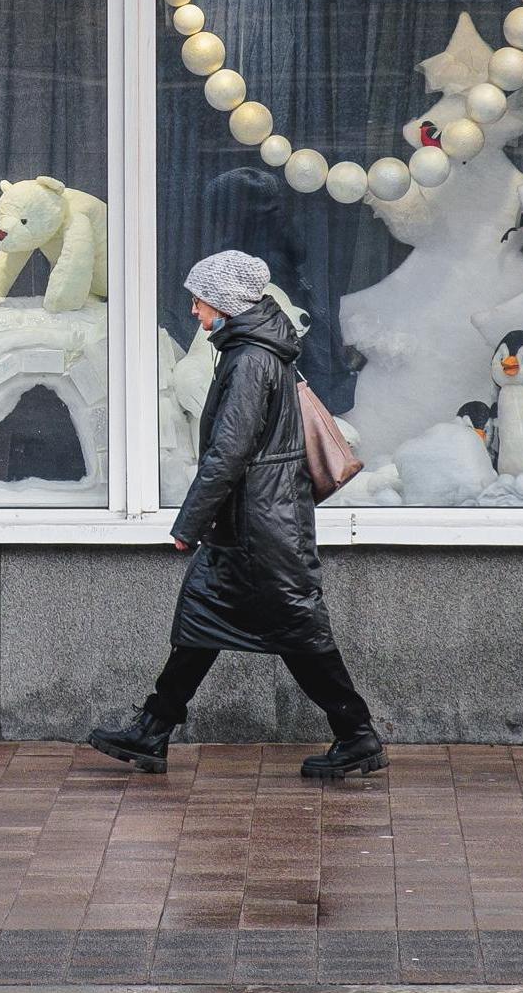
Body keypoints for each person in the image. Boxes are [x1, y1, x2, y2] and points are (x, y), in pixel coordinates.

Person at [89, 250, 385, 779]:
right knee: (200, 619)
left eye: (199, 301)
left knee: (300, 631)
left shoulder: (251, 359)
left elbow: (229, 451)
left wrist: (188, 522)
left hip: (262, 527)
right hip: (249, 523)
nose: (195, 312)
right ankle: (153, 729)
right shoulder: (252, 350)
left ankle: (357, 734)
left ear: (224, 302)